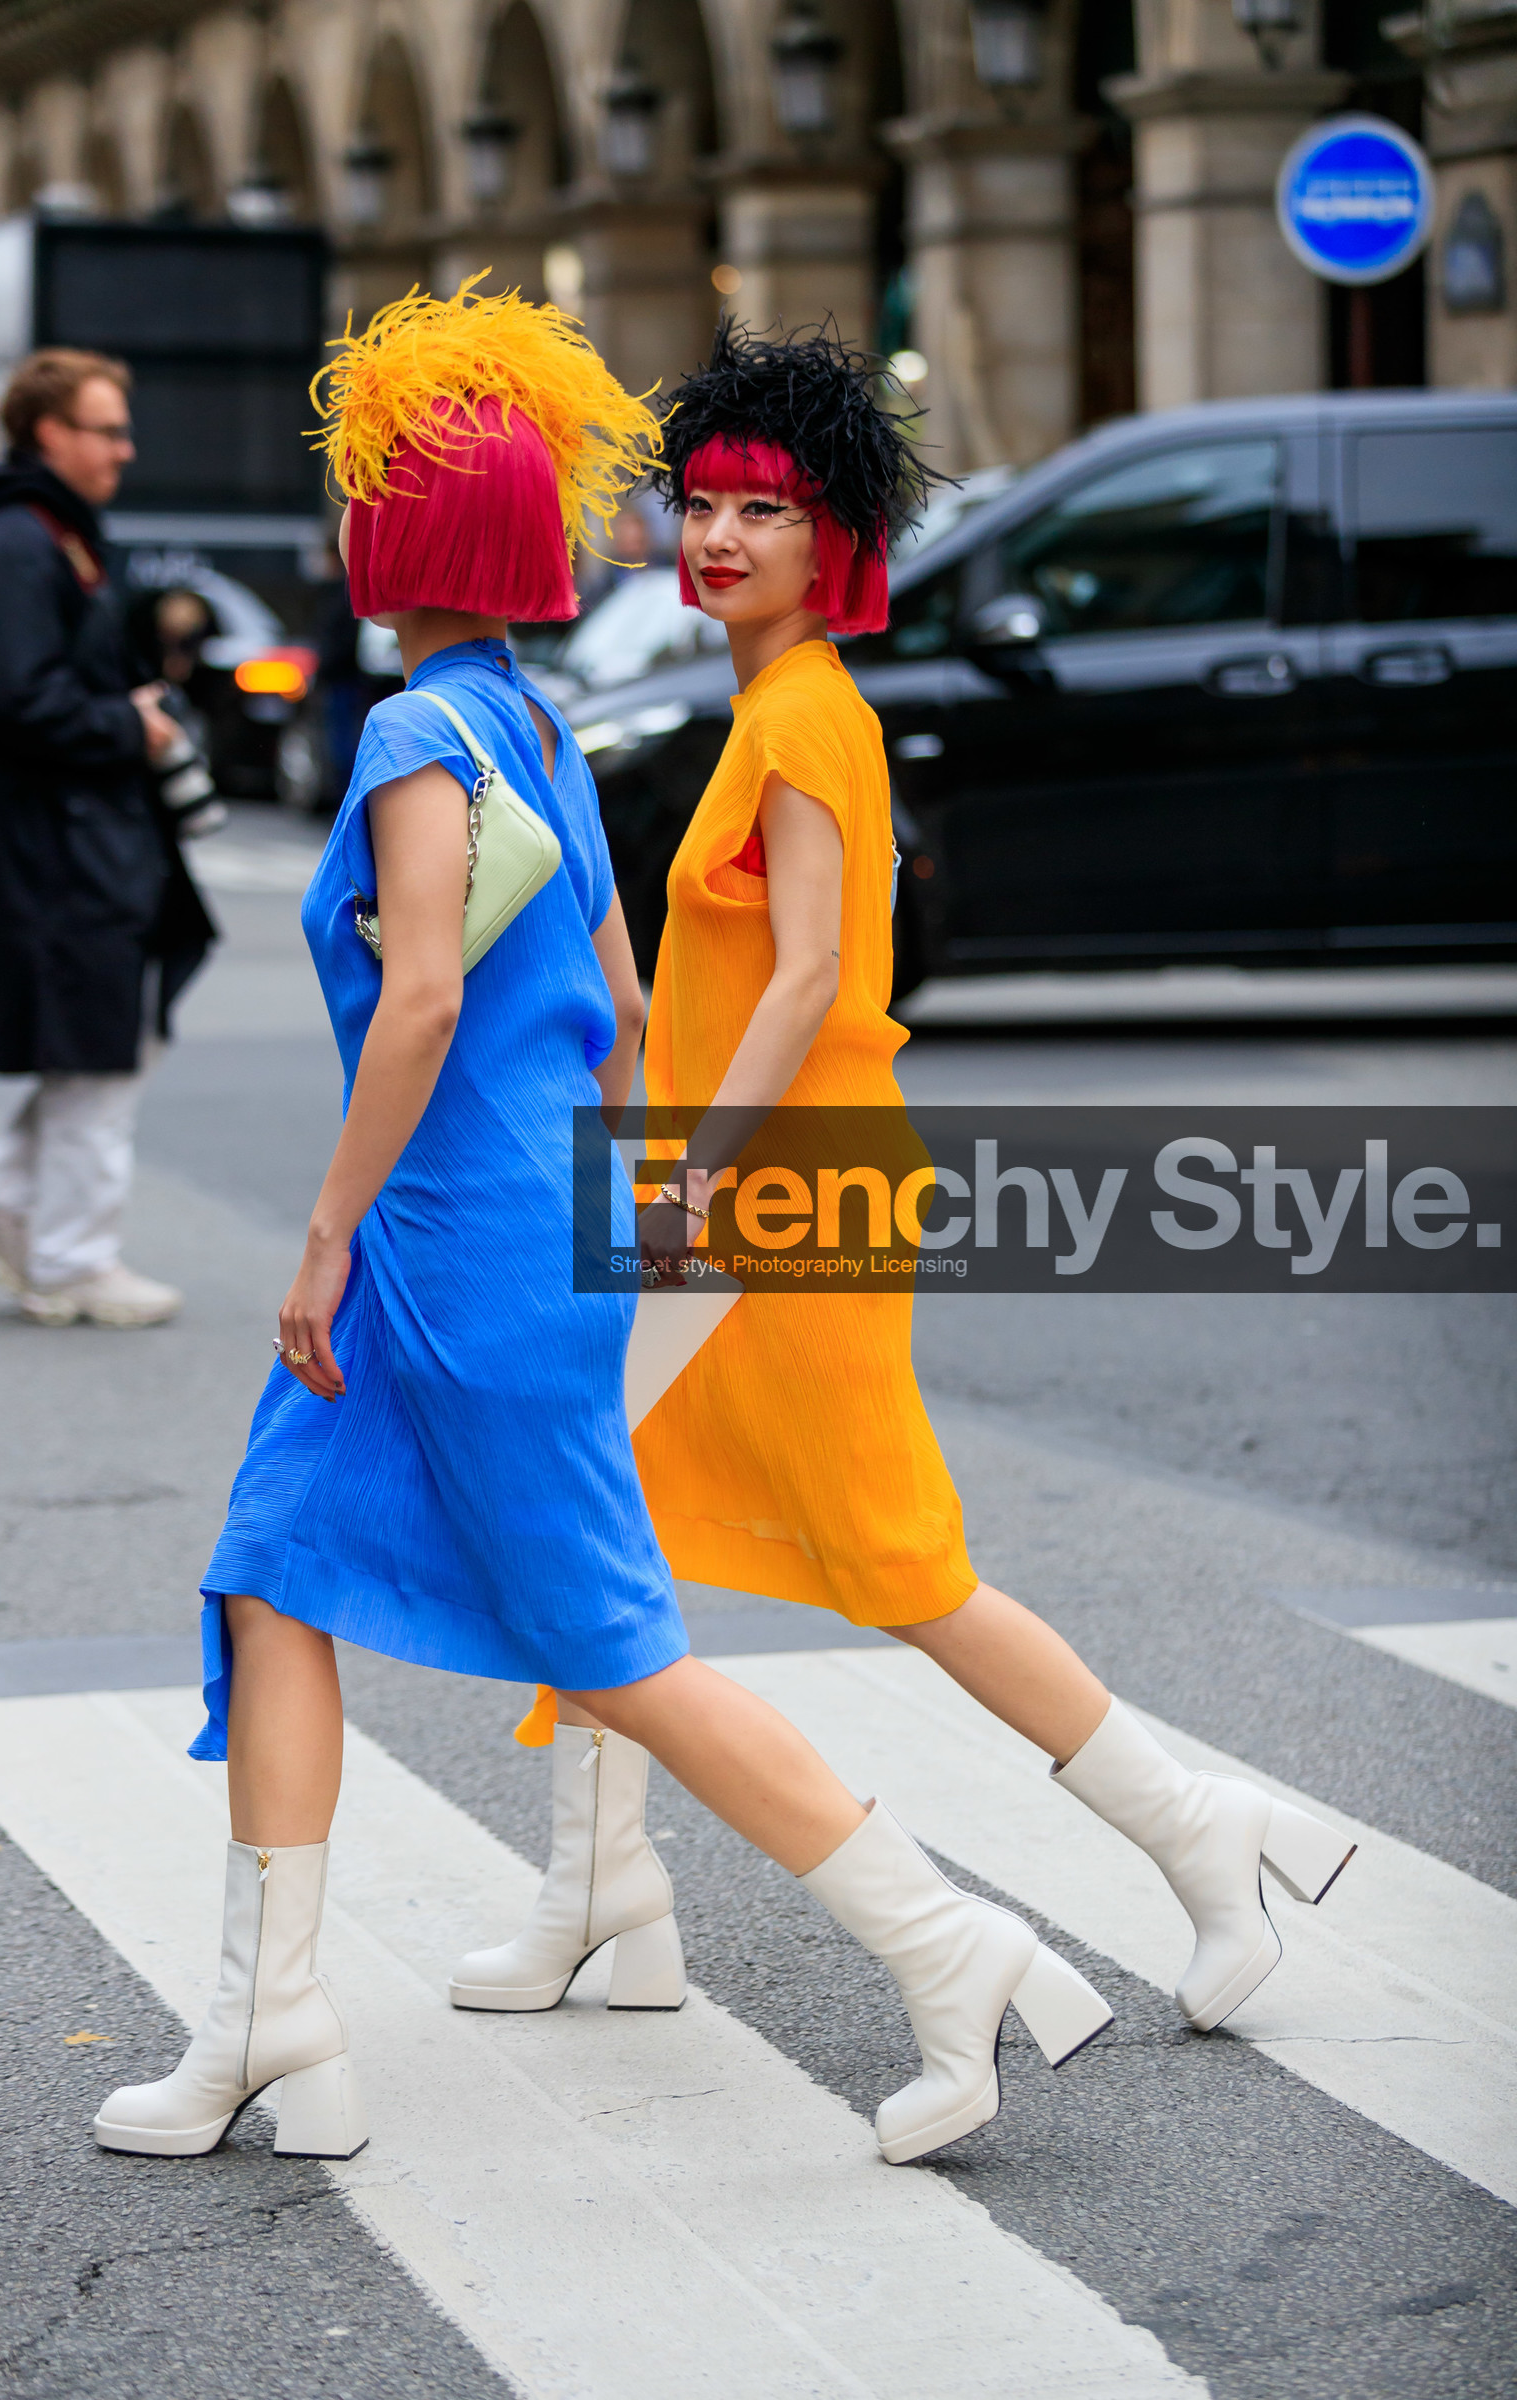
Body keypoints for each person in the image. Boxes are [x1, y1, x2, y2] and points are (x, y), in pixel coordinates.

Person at [93, 283, 1112, 2174]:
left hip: (450, 1256)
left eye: (361, 483)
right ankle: (268, 2023)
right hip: (500, 1236)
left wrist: (323, 1235)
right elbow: (620, 1000)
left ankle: (946, 1941)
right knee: (270, 1567)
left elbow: (415, 1005)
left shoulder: (416, 735)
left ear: (395, 527)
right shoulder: (531, 727)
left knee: (617, 1643)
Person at [506, 321, 1358, 2045]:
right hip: (736, 1179)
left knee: (890, 1561)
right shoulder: (770, 712)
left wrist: (688, 1189)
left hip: (778, 1194)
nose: (721, 535)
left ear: (839, 546)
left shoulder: (807, 720)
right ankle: (601, 1897)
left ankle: (1205, 1837)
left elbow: (812, 979)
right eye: (705, 502)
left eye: (766, 509)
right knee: (605, 1518)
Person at [0, 348, 215, 1326]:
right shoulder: (25, 540)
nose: (124, 451)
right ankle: (71, 1259)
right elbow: (17, 698)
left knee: (102, 1041)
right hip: (61, 844)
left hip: (71, 835)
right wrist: (126, 724)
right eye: (106, 430)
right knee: (100, 1048)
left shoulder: (44, 532)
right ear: (49, 433)